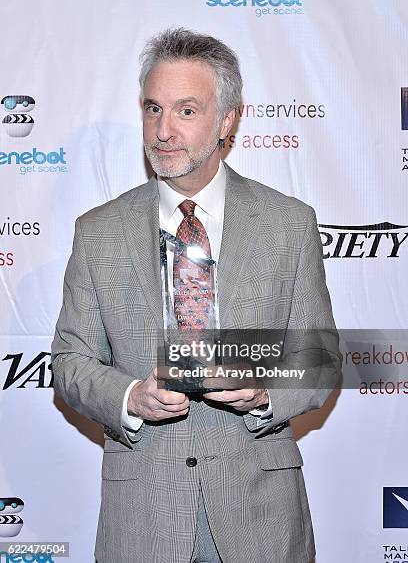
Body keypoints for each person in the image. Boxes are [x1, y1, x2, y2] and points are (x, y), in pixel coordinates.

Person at [51, 28, 339, 563]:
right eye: (153, 108)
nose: (163, 131)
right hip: (144, 517)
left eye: (186, 110)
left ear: (227, 121)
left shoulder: (289, 225)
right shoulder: (98, 232)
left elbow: (319, 362)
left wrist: (263, 393)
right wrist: (128, 397)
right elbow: (69, 362)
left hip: (261, 515)